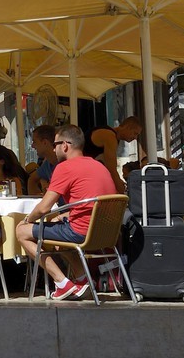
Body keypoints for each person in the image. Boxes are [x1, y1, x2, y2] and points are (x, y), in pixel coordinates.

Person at [16, 124, 120, 301]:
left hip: (81, 232)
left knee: (21, 232)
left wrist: (26, 220)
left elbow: (44, 208)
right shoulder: (98, 165)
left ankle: (62, 283)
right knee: (58, 230)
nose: (54, 149)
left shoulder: (64, 167)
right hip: (106, 234)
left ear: (65, 145)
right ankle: (83, 279)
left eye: (55, 144)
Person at [90, 115, 142, 190]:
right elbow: (111, 168)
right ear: (127, 127)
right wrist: (120, 188)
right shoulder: (110, 136)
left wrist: (118, 181)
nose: (135, 138)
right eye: (135, 133)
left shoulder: (113, 136)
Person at [27, 125, 58, 197]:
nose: (32, 146)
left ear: (44, 142)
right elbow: (32, 180)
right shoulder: (48, 164)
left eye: (34, 142)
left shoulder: (63, 162)